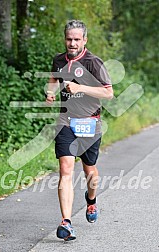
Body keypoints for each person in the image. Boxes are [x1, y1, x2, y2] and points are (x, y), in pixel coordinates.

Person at [46, 20, 113, 241]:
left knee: (90, 172)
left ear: (84, 40)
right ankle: (66, 222)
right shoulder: (58, 60)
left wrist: (80, 87)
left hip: (90, 123)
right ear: (65, 38)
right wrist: (51, 92)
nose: (72, 43)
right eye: (69, 39)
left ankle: (91, 201)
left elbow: (108, 93)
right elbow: (54, 77)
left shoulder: (94, 63)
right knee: (66, 170)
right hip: (66, 122)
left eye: (77, 39)